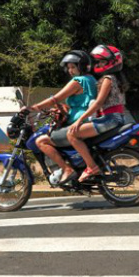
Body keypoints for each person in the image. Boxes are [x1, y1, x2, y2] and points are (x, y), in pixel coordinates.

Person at [27, 50, 97, 184]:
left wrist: (35, 107)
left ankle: (66, 169)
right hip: (84, 120)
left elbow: (55, 98)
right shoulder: (91, 79)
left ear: (81, 67)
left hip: (77, 123)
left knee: (41, 141)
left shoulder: (78, 81)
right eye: (69, 67)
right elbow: (81, 102)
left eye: (73, 67)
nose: (70, 70)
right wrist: (63, 108)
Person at [67, 45, 127, 182]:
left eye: (102, 62)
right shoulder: (117, 78)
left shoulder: (107, 79)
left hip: (110, 119)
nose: (99, 64)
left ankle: (91, 167)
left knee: (72, 134)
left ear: (112, 62)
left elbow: (98, 103)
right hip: (116, 118)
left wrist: (79, 119)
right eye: (98, 62)